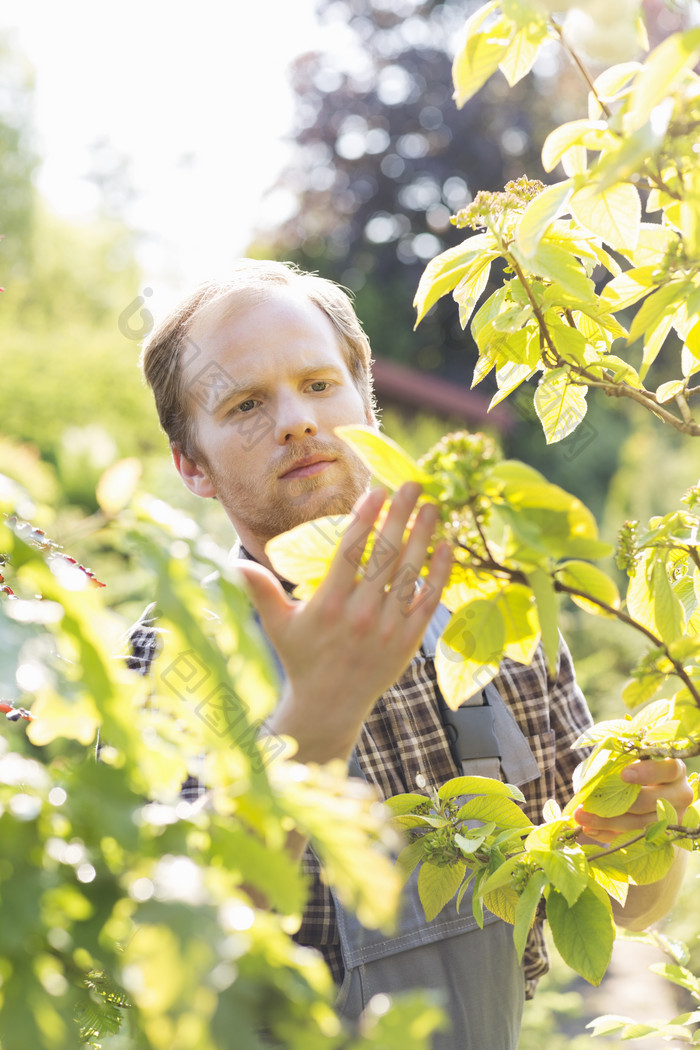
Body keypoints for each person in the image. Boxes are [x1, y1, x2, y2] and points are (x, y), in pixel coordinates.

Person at [140, 258, 692, 1049]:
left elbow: (619, 901)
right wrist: (314, 733)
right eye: (246, 402)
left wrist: (647, 831)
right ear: (191, 463)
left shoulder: (487, 604)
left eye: (320, 384)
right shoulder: (170, 660)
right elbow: (168, 969)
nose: (296, 420)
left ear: (367, 400)